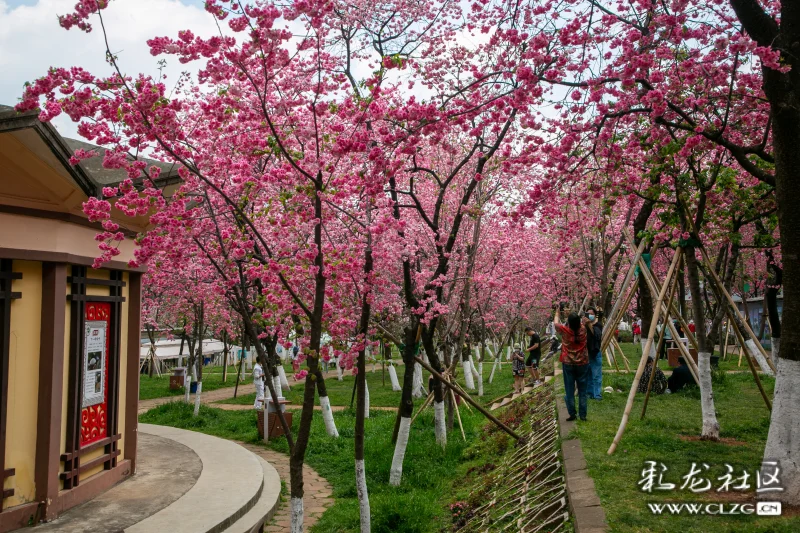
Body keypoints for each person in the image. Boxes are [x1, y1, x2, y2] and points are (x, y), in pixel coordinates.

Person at [554, 307, 590, 421]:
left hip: (568, 363)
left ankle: (572, 414)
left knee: (569, 389)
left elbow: (555, 323)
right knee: (582, 390)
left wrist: (557, 313)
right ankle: (583, 415)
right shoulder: (583, 329)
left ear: (569, 322)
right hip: (583, 363)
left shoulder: (565, 330)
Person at [585, 307, 603, 400]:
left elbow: (596, 335)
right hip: (586, 354)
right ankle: (589, 393)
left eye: (591, 313)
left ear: (595, 315)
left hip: (595, 353)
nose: (589, 315)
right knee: (588, 375)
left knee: (596, 376)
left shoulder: (598, 325)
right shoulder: (584, 326)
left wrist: (589, 324)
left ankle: (597, 395)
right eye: (587, 313)